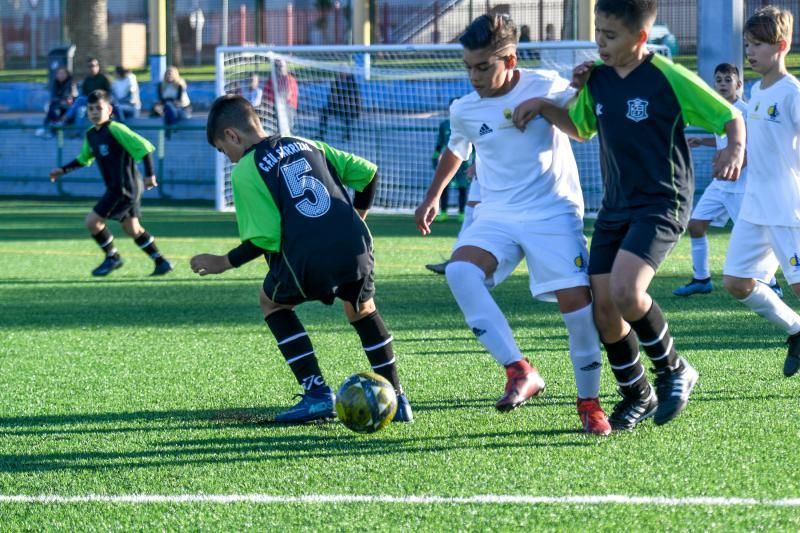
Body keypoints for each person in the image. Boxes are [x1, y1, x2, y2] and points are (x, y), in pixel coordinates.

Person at [513, 0, 745, 429]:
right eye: (598, 32)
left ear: (640, 38)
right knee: (604, 311)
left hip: (662, 202)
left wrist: (734, 146)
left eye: (610, 35)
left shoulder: (667, 77)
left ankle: (675, 369)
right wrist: (547, 105)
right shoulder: (598, 80)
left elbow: (728, 114)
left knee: (626, 291)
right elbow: (581, 129)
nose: (600, 43)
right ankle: (638, 394)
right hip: (615, 206)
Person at [415, 14, 611, 435]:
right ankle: (520, 370)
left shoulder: (544, 84)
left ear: (510, 58)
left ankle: (589, 403)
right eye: (468, 67)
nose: (474, 76)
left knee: (578, 311)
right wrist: (432, 197)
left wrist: (550, 103)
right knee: (461, 272)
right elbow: (456, 149)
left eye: (483, 66)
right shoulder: (464, 108)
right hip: (497, 212)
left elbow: (582, 130)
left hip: (552, 212)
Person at [191, 94, 413, 424]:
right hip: (355, 247)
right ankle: (397, 399)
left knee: (273, 303)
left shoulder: (247, 171)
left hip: (308, 258)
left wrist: (223, 261)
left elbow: (265, 238)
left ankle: (317, 394)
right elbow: (367, 174)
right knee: (362, 309)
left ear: (232, 136)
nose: (230, 159)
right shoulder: (305, 142)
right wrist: (358, 216)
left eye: (225, 152)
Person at [722, 6, 800, 378]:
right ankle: (797, 330)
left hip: (788, 209)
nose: (749, 52)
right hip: (755, 208)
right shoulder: (754, 90)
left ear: (781, 45)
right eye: (747, 44)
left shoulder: (792, 93)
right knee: (736, 282)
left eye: (757, 45)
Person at [674, 63, 782, 298]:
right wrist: (704, 143)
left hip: (742, 186)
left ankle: (772, 283)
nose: (723, 84)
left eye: (727, 80)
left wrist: (733, 165)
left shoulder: (746, 111)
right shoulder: (718, 109)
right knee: (695, 225)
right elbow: (727, 142)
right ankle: (701, 279)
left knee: (752, 234)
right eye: (719, 80)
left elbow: (754, 148)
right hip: (721, 185)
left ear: (739, 84)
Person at [48, 90, 174, 277]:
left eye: (99, 108)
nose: (94, 112)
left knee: (92, 222)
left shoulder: (116, 129)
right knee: (132, 228)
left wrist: (150, 175)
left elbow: (145, 147)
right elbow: (84, 158)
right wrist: (63, 170)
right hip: (119, 188)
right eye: (90, 109)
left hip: (124, 188)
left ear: (109, 109)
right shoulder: (91, 134)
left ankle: (112, 257)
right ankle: (161, 261)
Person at [432, 98, 471, 223]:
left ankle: (461, 213)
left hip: (465, 162)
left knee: (463, 187)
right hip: (448, 160)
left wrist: (475, 162)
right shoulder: (444, 125)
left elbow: (475, 144)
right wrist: (436, 155)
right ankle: (443, 212)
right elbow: (440, 142)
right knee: (443, 185)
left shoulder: (468, 123)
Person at [63, 58, 112, 127]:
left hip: (100, 101)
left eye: (94, 65)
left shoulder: (103, 78)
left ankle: (65, 119)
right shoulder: (87, 80)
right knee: (80, 109)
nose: (92, 68)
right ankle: (77, 131)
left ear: (98, 66)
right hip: (89, 101)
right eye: (90, 66)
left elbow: (108, 93)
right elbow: (83, 93)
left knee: (80, 100)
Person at [319, 71, 361, 142]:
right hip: (337, 106)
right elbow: (331, 96)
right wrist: (333, 99)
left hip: (350, 108)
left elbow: (353, 98)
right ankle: (321, 134)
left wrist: (342, 101)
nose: (340, 73)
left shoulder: (351, 83)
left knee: (347, 111)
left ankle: (347, 135)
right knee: (324, 110)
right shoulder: (335, 82)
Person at [36, 67, 77, 138]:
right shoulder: (55, 83)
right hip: (58, 104)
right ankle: (54, 126)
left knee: (53, 107)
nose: (61, 75)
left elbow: (68, 96)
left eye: (63, 73)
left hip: (68, 106)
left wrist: (60, 100)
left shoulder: (70, 83)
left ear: (67, 75)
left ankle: (46, 127)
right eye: (59, 73)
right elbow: (53, 96)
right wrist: (58, 100)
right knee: (51, 106)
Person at [263, 59, 299, 132]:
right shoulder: (271, 80)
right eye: (276, 66)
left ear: (286, 67)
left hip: (288, 107)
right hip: (273, 107)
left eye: (281, 66)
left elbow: (287, 96)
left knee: (286, 129)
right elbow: (265, 94)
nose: (278, 68)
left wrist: (274, 100)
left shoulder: (289, 79)